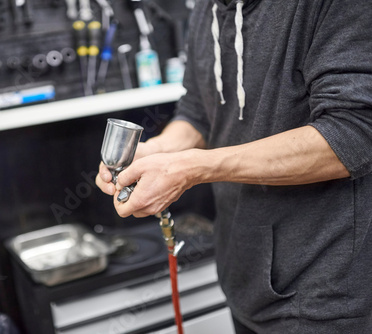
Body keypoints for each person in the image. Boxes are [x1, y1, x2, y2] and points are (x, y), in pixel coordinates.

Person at [96, 0, 372, 333]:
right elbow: (198, 110)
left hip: (324, 294)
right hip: (244, 274)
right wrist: (156, 151)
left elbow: (352, 131)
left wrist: (194, 167)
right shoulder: (208, 8)